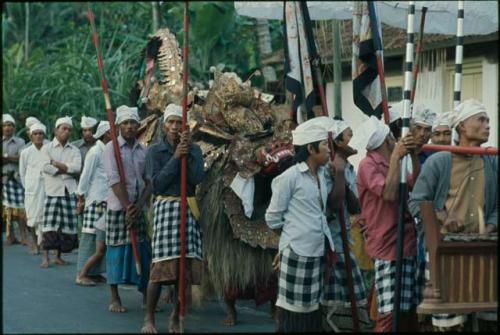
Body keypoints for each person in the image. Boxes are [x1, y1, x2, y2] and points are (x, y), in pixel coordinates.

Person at [409, 99, 497, 331]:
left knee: (489, 322)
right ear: (461, 127)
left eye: (488, 120)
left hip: (482, 251)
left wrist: (489, 226)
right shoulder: (439, 161)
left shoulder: (492, 162)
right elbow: (417, 201)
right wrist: (443, 218)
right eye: (481, 119)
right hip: (445, 253)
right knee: (450, 326)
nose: (488, 125)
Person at [265, 116, 337, 332]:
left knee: (311, 309)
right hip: (297, 251)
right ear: (311, 149)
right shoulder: (290, 178)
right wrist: (289, 239)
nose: (328, 150)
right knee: (293, 312)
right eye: (324, 145)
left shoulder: (323, 174)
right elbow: (272, 218)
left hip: (316, 251)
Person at [355, 116, 423, 332]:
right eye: (392, 138)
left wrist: (412, 155)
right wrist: (396, 158)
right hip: (387, 245)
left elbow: (417, 185)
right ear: (387, 141)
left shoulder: (394, 161)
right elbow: (390, 194)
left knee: (407, 308)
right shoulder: (367, 165)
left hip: (406, 241)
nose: (396, 140)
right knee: (388, 312)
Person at [141, 104, 205, 334]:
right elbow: (156, 184)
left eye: (179, 123)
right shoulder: (154, 151)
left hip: (188, 208)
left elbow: (197, 178)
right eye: (171, 122)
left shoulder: (194, 149)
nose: (175, 127)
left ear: (185, 126)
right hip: (166, 208)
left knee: (183, 269)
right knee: (159, 267)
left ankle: (176, 316)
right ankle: (149, 318)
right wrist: (177, 157)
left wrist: (187, 153)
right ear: (164, 125)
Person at [322, 119, 370, 332]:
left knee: (352, 300)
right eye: (350, 134)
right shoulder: (326, 168)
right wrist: (338, 174)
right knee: (327, 304)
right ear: (338, 142)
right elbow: (332, 204)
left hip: (344, 243)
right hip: (330, 246)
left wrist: (342, 174)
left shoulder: (348, 167)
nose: (354, 138)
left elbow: (353, 206)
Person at [104, 105, 151, 313]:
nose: (130, 126)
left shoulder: (144, 150)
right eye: (125, 123)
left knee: (142, 250)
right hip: (118, 207)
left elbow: (149, 181)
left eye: (133, 122)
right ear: (119, 126)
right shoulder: (110, 149)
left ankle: (145, 296)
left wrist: (137, 206)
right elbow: (114, 180)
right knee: (116, 249)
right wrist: (126, 207)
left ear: (138, 125)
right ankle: (115, 298)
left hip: (138, 208)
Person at [40, 116, 81, 268]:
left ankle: (58, 256)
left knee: (65, 224)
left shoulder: (74, 149)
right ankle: (45, 258)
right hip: (52, 190)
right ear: (56, 130)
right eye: (63, 128)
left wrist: (56, 163)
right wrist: (66, 169)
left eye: (69, 129)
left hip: (68, 190)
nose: (67, 132)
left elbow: (76, 168)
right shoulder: (47, 148)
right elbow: (46, 167)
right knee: (49, 224)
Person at [75, 121, 111, 286]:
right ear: (106, 134)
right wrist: (81, 197)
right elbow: (85, 175)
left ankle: (94, 272)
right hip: (95, 200)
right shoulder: (95, 152)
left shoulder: (108, 151)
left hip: (105, 200)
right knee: (90, 238)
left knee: (101, 239)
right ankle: (81, 274)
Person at [19, 123, 49, 255]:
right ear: (31, 136)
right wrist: (28, 187)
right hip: (31, 189)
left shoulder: (48, 150)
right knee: (32, 218)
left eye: (40, 133)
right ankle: (35, 243)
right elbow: (22, 172)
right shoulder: (25, 152)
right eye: (35, 134)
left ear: (44, 135)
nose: (38, 136)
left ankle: (45, 244)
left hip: (46, 188)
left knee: (46, 217)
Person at [2, 113, 31, 247]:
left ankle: (24, 236)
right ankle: (10, 236)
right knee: (6, 210)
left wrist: (5, 156)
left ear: (14, 128)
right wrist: (11, 157)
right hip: (3, 179)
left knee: (21, 209)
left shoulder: (20, 141)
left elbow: (21, 158)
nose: (7, 128)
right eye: (5, 125)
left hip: (17, 178)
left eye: (10, 125)